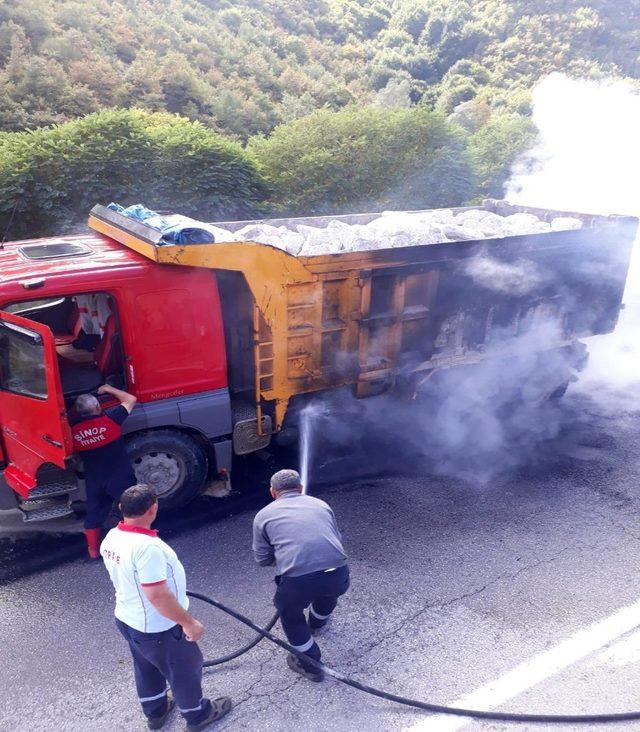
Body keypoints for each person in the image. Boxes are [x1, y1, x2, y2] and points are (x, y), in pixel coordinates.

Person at [101, 484, 232, 730]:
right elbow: (158, 596)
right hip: (158, 628)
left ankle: (156, 711)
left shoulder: (112, 537)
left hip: (128, 620)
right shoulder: (148, 548)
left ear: (122, 508)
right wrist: (188, 622)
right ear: (153, 509)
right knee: (184, 670)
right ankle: (198, 715)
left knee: (146, 666)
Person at [252, 469, 349, 682]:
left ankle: (311, 664)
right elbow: (335, 538)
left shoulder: (263, 516)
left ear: (272, 492)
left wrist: (285, 557)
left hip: (299, 581)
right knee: (327, 592)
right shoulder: (321, 505)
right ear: (301, 488)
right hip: (338, 572)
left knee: (290, 614)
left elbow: (262, 559)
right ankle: (317, 623)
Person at [70, 383, 137, 559]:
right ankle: (134, 544)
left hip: (95, 480)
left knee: (93, 514)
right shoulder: (112, 418)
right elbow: (131, 399)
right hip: (120, 476)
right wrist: (108, 389)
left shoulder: (72, 432)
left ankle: (93, 551)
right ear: (98, 407)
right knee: (131, 508)